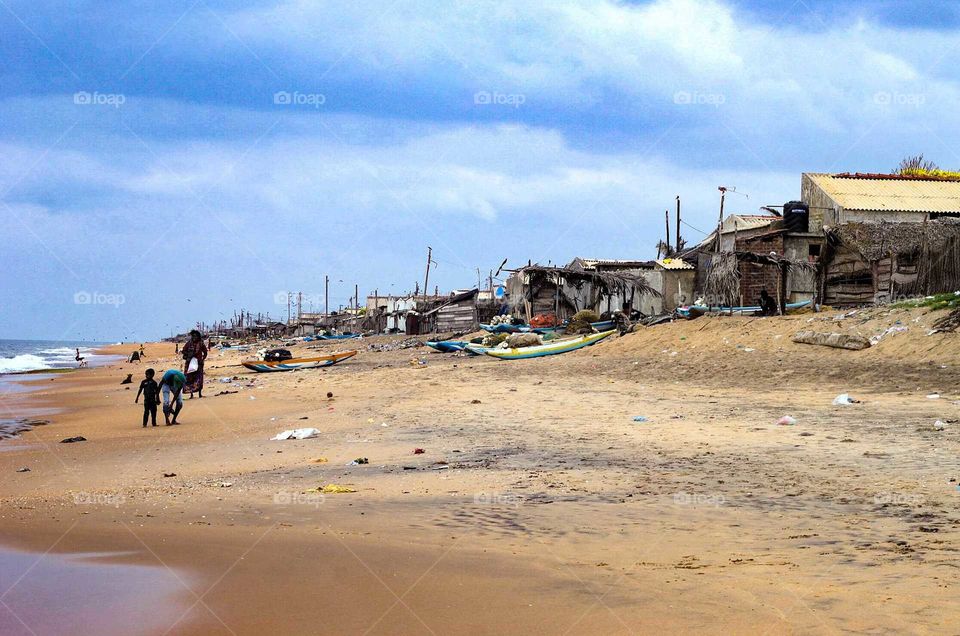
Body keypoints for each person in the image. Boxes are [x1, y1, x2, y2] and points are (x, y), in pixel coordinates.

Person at [182, 329, 208, 399]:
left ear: (198, 336)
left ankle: (199, 394)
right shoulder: (188, 343)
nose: (194, 338)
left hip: (199, 363)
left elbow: (205, 352)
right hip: (189, 364)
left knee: (199, 378)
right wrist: (189, 354)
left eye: (195, 336)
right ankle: (191, 394)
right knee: (190, 379)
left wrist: (202, 359)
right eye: (193, 336)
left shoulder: (201, 343)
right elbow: (183, 351)